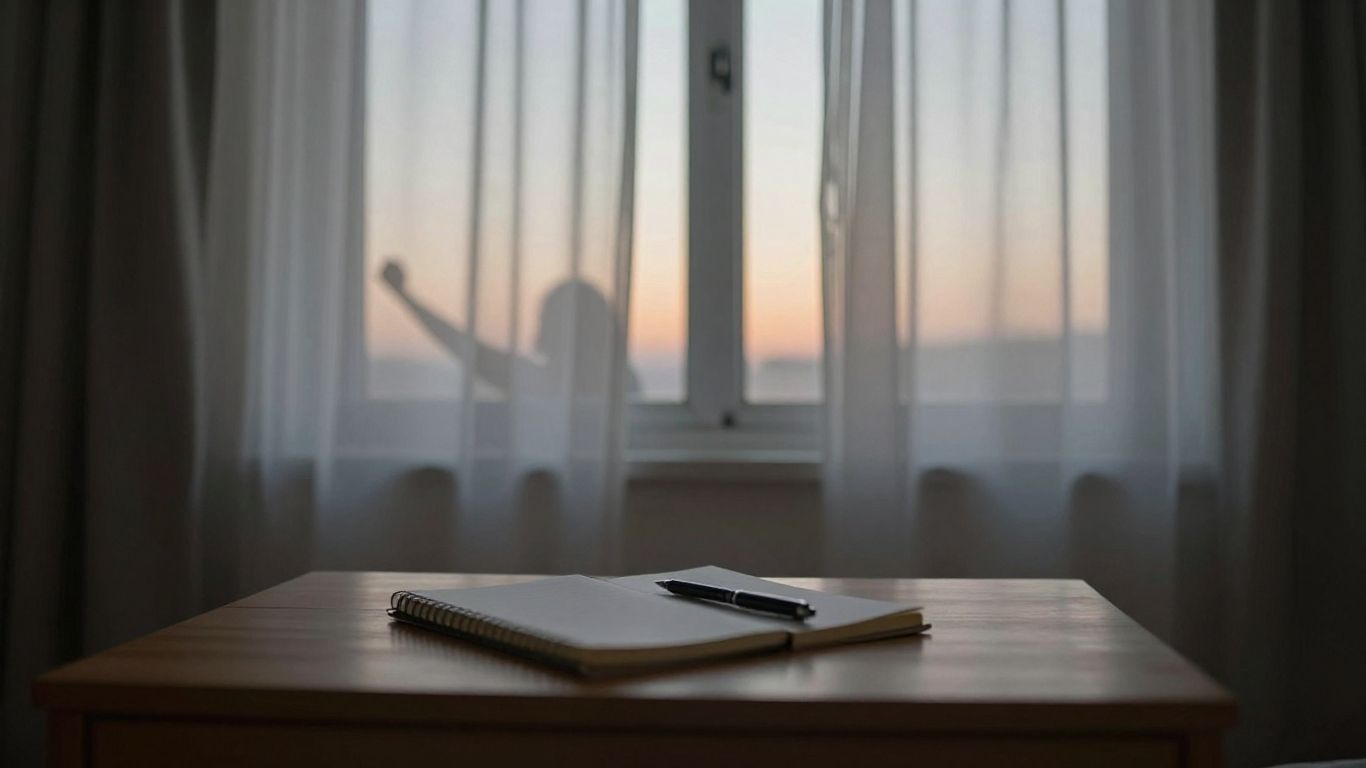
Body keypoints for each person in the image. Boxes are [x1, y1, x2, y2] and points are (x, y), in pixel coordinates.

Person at [379, 258, 640, 396]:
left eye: (547, 319)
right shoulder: (625, 382)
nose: (540, 329)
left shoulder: (546, 384)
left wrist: (404, 296)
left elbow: (475, 355)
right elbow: (477, 355)